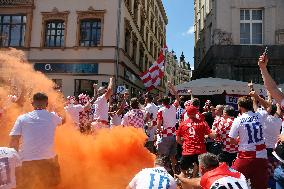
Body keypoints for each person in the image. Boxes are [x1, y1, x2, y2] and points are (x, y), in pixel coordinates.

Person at [9, 92, 62, 189]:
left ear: (32, 104)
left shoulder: (22, 118)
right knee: (52, 184)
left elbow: (14, 141)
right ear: (47, 105)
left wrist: (14, 163)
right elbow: (63, 121)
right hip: (49, 161)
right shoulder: (53, 117)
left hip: (27, 161)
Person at [229, 96, 268, 189]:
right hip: (261, 156)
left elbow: (231, 140)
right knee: (260, 186)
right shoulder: (259, 115)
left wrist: (239, 140)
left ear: (240, 107)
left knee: (234, 183)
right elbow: (268, 107)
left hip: (245, 156)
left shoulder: (238, 120)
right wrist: (256, 97)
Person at [176, 105, 214, 178]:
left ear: (187, 113)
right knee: (200, 168)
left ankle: (185, 181)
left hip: (187, 150)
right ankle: (194, 178)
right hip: (200, 150)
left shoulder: (182, 124)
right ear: (196, 113)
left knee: (183, 171)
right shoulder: (202, 123)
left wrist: (183, 144)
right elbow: (211, 134)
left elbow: (177, 139)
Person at [175, 153, 249, 189]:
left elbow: (197, 183)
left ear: (202, 169)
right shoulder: (235, 172)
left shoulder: (209, 179)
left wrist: (181, 179)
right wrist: (182, 179)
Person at [156, 82, 180, 174]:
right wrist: (173, 88)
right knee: (173, 157)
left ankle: (163, 174)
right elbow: (178, 98)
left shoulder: (161, 110)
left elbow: (158, 125)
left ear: (162, 102)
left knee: (163, 157)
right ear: (169, 101)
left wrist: (159, 131)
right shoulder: (173, 107)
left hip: (165, 135)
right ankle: (176, 175)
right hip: (174, 135)